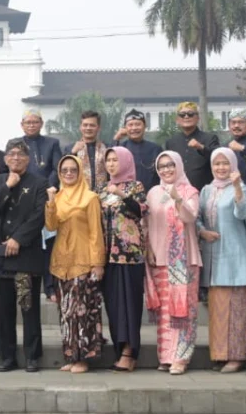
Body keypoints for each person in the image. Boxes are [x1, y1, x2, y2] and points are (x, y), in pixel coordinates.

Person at [0, 140, 49, 373]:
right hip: (0, 257)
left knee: (29, 307)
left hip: (26, 255)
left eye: (21, 154)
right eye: (11, 154)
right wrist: (7, 187)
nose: (15, 158)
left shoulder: (39, 183)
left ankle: (32, 356)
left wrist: (18, 239)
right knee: (3, 310)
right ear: (5, 158)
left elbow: (38, 215)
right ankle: (7, 356)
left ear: (28, 158)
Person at [45, 155, 106, 374]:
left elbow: (95, 233)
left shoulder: (90, 198)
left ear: (80, 172)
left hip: (83, 262)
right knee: (66, 312)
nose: (69, 174)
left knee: (82, 312)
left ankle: (84, 358)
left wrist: (97, 263)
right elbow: (51, 226)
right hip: (61, 261)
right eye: (64, 170)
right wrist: (51, 203)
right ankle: (71, 355)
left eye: (73, 170)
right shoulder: (58, 197)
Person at [144, 150, 201, 376]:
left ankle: (181, 357)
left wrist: (178, 199)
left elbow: (190, 217)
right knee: (165, 312)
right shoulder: (153, 192)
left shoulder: (190, 191)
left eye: (170, 165)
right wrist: (148, 249)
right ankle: (166, 356)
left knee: (183, 310)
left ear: (179, 166)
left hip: (183, 260)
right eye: (162, 166)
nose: (166, 169)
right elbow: (146, 223)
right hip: (160, 259)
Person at [195, 148, 246, 373]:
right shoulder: (207, 190)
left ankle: (236, 357)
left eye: (225, 163)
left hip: (235, 256)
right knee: (218, 309)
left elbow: (243, 213)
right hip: (213, 258)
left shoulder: (242, 187)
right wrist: (202, 232)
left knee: (236, 309)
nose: (220, 168)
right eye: (216, 164)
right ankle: (219, 355)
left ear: (233, 165)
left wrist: (237, 186)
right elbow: (196, 217)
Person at [98, 147, 147, 373]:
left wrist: (121, 194)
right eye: (108, 160)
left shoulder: (135, 187)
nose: (111, 164)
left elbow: (139, 211)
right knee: (114, 305)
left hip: (129, 256)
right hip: (107, 256)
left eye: (115, 160)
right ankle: (120, 350)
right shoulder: (101, 190)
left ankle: (130, 352)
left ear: (126, 161)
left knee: (130, 305)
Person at [165, 102, 220, 189]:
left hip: (203, 191)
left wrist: (201, 147)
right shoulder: (171, 142)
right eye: (182, 115)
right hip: (178, 191)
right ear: (177, 120)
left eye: (190, 114)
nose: (186, 117)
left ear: (198, 118)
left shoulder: (210, 138)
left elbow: (218, 158)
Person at [113, 109, 162, 192]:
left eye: (138, 124)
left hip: (151, 196)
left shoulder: (155, 149)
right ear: (125, 128)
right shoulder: (120, 149)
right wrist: (116, 138)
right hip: (126, 197)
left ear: (145, 126)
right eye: (130, 125)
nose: (134, 128)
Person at [69, 111, 108, 190]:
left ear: (98, 128)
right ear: (80, 127)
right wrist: (72, 153)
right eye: (85, 125)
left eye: (92, 125)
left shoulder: (106, 148)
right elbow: (64, 171)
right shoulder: (71, 148)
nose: (88, 128)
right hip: (80, 195)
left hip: (104, 195)